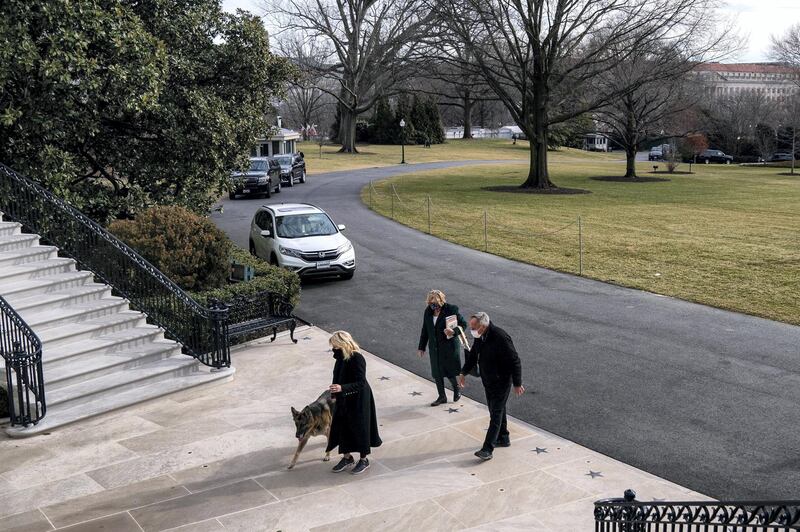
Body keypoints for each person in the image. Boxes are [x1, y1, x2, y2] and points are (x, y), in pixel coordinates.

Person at [457, 312, 524, 461]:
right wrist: (463, 372)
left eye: (474, 327)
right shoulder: (480, 337)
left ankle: (487, 449)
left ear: (483, 325)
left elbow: (515, 360)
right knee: (496, 410)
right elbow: (474, 355)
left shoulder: (500, 336)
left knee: (495, 414)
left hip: (502, 381)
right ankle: (503, 437)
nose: (471, 330)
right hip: (488, 381)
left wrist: (517, 383)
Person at [326, 331, 382, 474]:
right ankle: (347, 457)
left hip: (359, 399)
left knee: (360, 427)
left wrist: (342, 388)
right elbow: (336, 376)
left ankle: (364, 460)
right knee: (343, 426)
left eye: (335, 346)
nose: (333, 348)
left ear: (342, 344)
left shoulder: (357, 358)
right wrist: (334, 392)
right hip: (343, 397)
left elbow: (361, 382)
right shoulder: (339, 358)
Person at [417, 290, 468, 406]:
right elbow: (425, 330)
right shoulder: (428, 312)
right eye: (430, 302)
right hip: (435, 348)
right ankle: (442, 396)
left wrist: (453, 331)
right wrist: (421, 347)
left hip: (449, 347)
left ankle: (456, 389)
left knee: (448, 370)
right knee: (437, 372)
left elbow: (463, 324)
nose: (432, 305)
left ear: (441, 300)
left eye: (434, 302)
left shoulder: (451, 309)